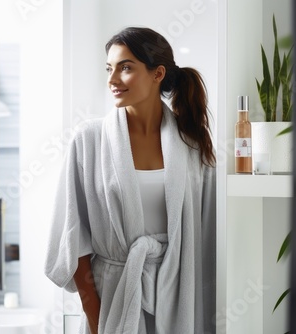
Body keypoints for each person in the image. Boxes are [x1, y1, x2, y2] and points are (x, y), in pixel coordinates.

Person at [44, 26, 216, 334]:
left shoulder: (191, 146)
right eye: (109, 68)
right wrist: (97, 321)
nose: (112, 80)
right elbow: (74, 237)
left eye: (125, 68)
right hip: (113, 301)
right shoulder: (89, 140)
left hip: (176, 298)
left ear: (157, 73)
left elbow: (205, 240)